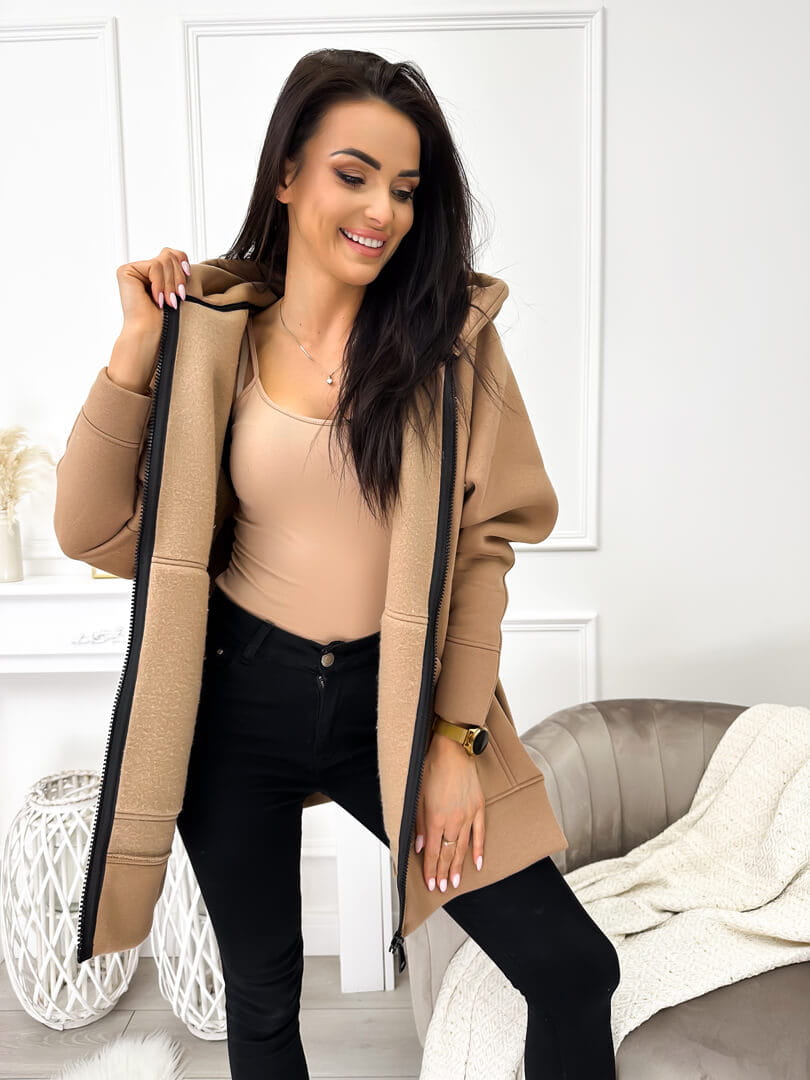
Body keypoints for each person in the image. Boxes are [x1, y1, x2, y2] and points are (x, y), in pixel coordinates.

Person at [55, 48, 620, 1079]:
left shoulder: (450, 348)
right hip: (236, 702)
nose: (382, 211)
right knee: (265, 999)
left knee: (573, 968)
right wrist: (135, 348)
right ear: (286, 174)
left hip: (392, 706)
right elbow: (88, 527)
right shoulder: (212, 339)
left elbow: (484, 549)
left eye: (404, 188)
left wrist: (453, 739)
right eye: (352, 175)